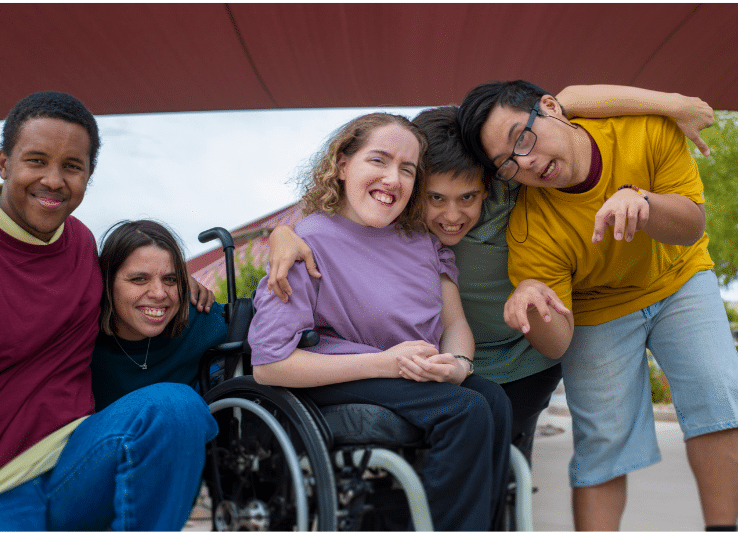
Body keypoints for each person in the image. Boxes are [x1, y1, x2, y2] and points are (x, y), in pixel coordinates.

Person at [266, 85, 716, 465]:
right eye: (434, 198)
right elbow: (337, 205)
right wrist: (282, 233)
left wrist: (674, 105)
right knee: (447, 458)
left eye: (467, 197)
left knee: (506, 463)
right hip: (443, 360)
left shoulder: (510, 182)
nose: (451, 215)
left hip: (522, 359)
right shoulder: (399, 212)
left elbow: (571, 98)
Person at [457, 79, 738, 531]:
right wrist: (534, 308)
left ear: (550, 108)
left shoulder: (644, 131)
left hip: (678, 277)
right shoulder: (531, 227)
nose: (525, 162)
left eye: (522, 138)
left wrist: (643, 201)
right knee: (602, 440)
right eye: (508, 164)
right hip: (597, 307)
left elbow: (690, 227)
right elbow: (557, 343)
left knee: (717, 391)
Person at [0, 92, 217, 530]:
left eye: (72, 166)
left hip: (81, 457)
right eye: (36, 160)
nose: (54, 180)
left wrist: (179, 283)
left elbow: (134, 287)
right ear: (3, 163)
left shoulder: (80, 242)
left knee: (176, 407)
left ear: (89, 175)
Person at [247, 112, 512, 531]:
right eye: (379, 160)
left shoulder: (422, 242)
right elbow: (267, 364)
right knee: (465, 412)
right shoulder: (307, 242)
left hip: (409, 375)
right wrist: (385, 363)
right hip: (341, 375)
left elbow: (454, 322)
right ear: (342, 165)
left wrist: (459, 363)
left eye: (407, 169)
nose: (393, 178)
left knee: (492, 399)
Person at [90, 219, 228, 411]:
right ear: (107, 282)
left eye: (170, 279)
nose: (159, 293)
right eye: (139, 279)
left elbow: (267, 322)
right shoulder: (81, 337)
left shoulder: (201, 319)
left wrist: (283, 235)